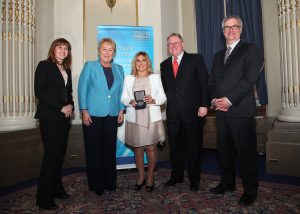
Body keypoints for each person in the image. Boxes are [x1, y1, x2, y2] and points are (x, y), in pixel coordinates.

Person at [208, 15, 261, 206]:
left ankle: (250, 190)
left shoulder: (250, 49)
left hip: (241, 111)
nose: (231, 30)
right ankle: (227, 184)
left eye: (234, 26)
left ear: (241, 29)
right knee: (224, 152)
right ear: (223, 32)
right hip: (221, 113)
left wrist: (229, 100)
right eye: (227, 27)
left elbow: (249, 80)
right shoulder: (217, 56)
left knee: (246, 153)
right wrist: (214, 100)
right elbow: (212, 81)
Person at [160, 33, 208, 192]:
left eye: (176, 43)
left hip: (193, 113)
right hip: (173, 114)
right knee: (175, 148)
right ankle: (177, 176)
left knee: (194, 148)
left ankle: (195, 180)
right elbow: (166, 89)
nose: (172, 46)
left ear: (182, 43)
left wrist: (204, 105)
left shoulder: (195, 59)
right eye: (169, 44)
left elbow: (204, 83)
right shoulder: (164, 65)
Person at [78, 38, 125, 196]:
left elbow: (121, 92)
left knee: (109, 149)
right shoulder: (90, 66)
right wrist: (84, 109)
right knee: (94, 150)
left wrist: (121, 110)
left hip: (112, 114)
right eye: (104, 49)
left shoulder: (119, 69)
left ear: (114, 53)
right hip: (93, 115)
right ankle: (97, 184)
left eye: (110, 50)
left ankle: (110, 182)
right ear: (99, 50)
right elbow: (82, 89)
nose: (107, 53)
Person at [34, 38, 74, 210]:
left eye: (66, 48)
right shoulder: (44, 65)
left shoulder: (67, 69)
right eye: (59, 47)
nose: (63, 50)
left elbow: (68, 92)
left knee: (59, 156)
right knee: (51, 157)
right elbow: (39, 91)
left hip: (63, 119)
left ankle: (57, 188)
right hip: (49, 117)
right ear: (53, 49)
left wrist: (71, 105)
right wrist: (61, 107)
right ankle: (43, 197)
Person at [121, 51, 166, 192]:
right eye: (138, 60)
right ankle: (140, 176)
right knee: (138, 149)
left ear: (148, 63)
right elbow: (123, 98)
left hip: (151, 118)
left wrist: (153, 100)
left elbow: (163, 98)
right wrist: (130, 101)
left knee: (151, 148)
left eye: (144, 60)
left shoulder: (155, 77)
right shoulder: (128, 79)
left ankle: (150, 176)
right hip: (134, 118)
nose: (141, 63)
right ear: (135, 63)